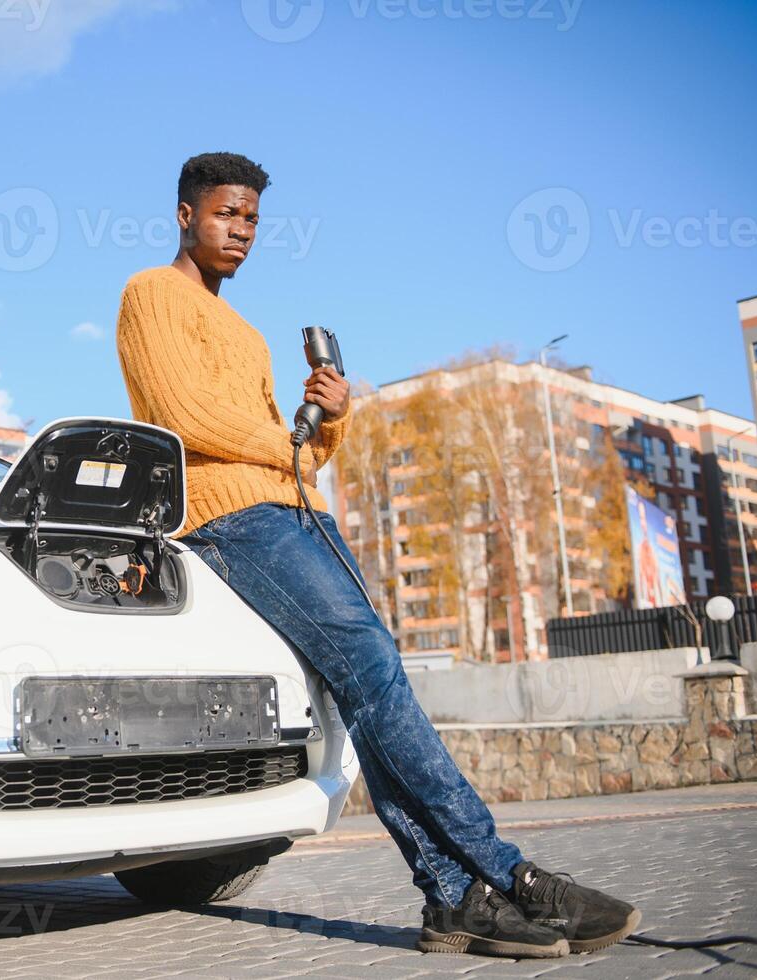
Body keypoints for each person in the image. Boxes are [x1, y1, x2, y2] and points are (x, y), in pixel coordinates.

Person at [114, 152, 641, 960]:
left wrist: (327, 420)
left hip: (293, 512)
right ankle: (503, 874)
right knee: (371, 675)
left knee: (372, 683)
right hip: (233, 518)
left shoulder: (250, 335)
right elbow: (182, 419)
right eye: (226, 214)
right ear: (185, 215)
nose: (241, 231)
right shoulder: (150, 293)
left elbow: (302, 460)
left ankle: (454, 899)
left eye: (252, 219)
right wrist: (286, 443)